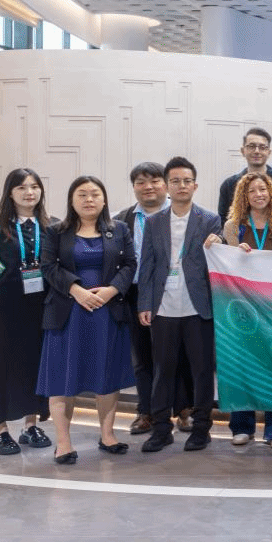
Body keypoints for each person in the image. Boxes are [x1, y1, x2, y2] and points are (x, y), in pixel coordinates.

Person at [39, 176, 137, 464]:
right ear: (72, 200)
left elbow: (130, 264)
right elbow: (48, 266)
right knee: (62, 379)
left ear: (104, 199)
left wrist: (111, 290)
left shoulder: (119, 229)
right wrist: (76, 290)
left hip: (107, 312)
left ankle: (108, 436)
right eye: (82, 194)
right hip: (67, 314)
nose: (89, 199)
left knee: (106, 375)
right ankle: (63, 443)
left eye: (95, 194)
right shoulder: (56, 231)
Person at [137, 157, 223, 454]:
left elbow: (219, 254)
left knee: (202, 372)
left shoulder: (209, 219)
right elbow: (147, 265)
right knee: (163, 371)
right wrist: (144, 303)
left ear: (195, 186)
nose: (181, 185)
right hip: (163, 308)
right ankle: (161, 430)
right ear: (167, 186)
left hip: (199, 308)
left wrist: (220, 239)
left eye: (187, 181)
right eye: (175, 181)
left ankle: (201, 429)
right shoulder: (154, 222)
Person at [0, 169, 53, 455]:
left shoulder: (49, 225)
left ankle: (30, 425)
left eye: (34, 186)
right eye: (21, 187)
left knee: (35, 365)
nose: (29, 192)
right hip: (3, 309)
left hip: (39, 308)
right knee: (1, 366)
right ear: (10, 193)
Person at [209, 172, 272, 449]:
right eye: (252, 190)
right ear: (243, 196)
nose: (258, 194)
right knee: (242, 364)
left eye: (263, 189)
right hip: (241, 307)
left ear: (271, 194)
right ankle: (242, 425)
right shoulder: (234, 227)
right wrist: (227, 250)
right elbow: (226, 262)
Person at [114, 163, 192, 435]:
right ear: (134, 187)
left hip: (174, 290)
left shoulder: (182, 213)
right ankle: (145, 411)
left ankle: (184, 409)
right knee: (142, 356)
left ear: (166, 184)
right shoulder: (123, 219)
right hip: (135, 293)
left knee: (178, 353)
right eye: (140, 182)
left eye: (155, 181)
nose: (148, 187)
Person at [217, 126, 272, 220]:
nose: (257, 151)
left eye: (262, 147)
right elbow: (223, 220)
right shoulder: (228, 185)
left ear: (269, 152)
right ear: (243, 151)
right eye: (251, 146)